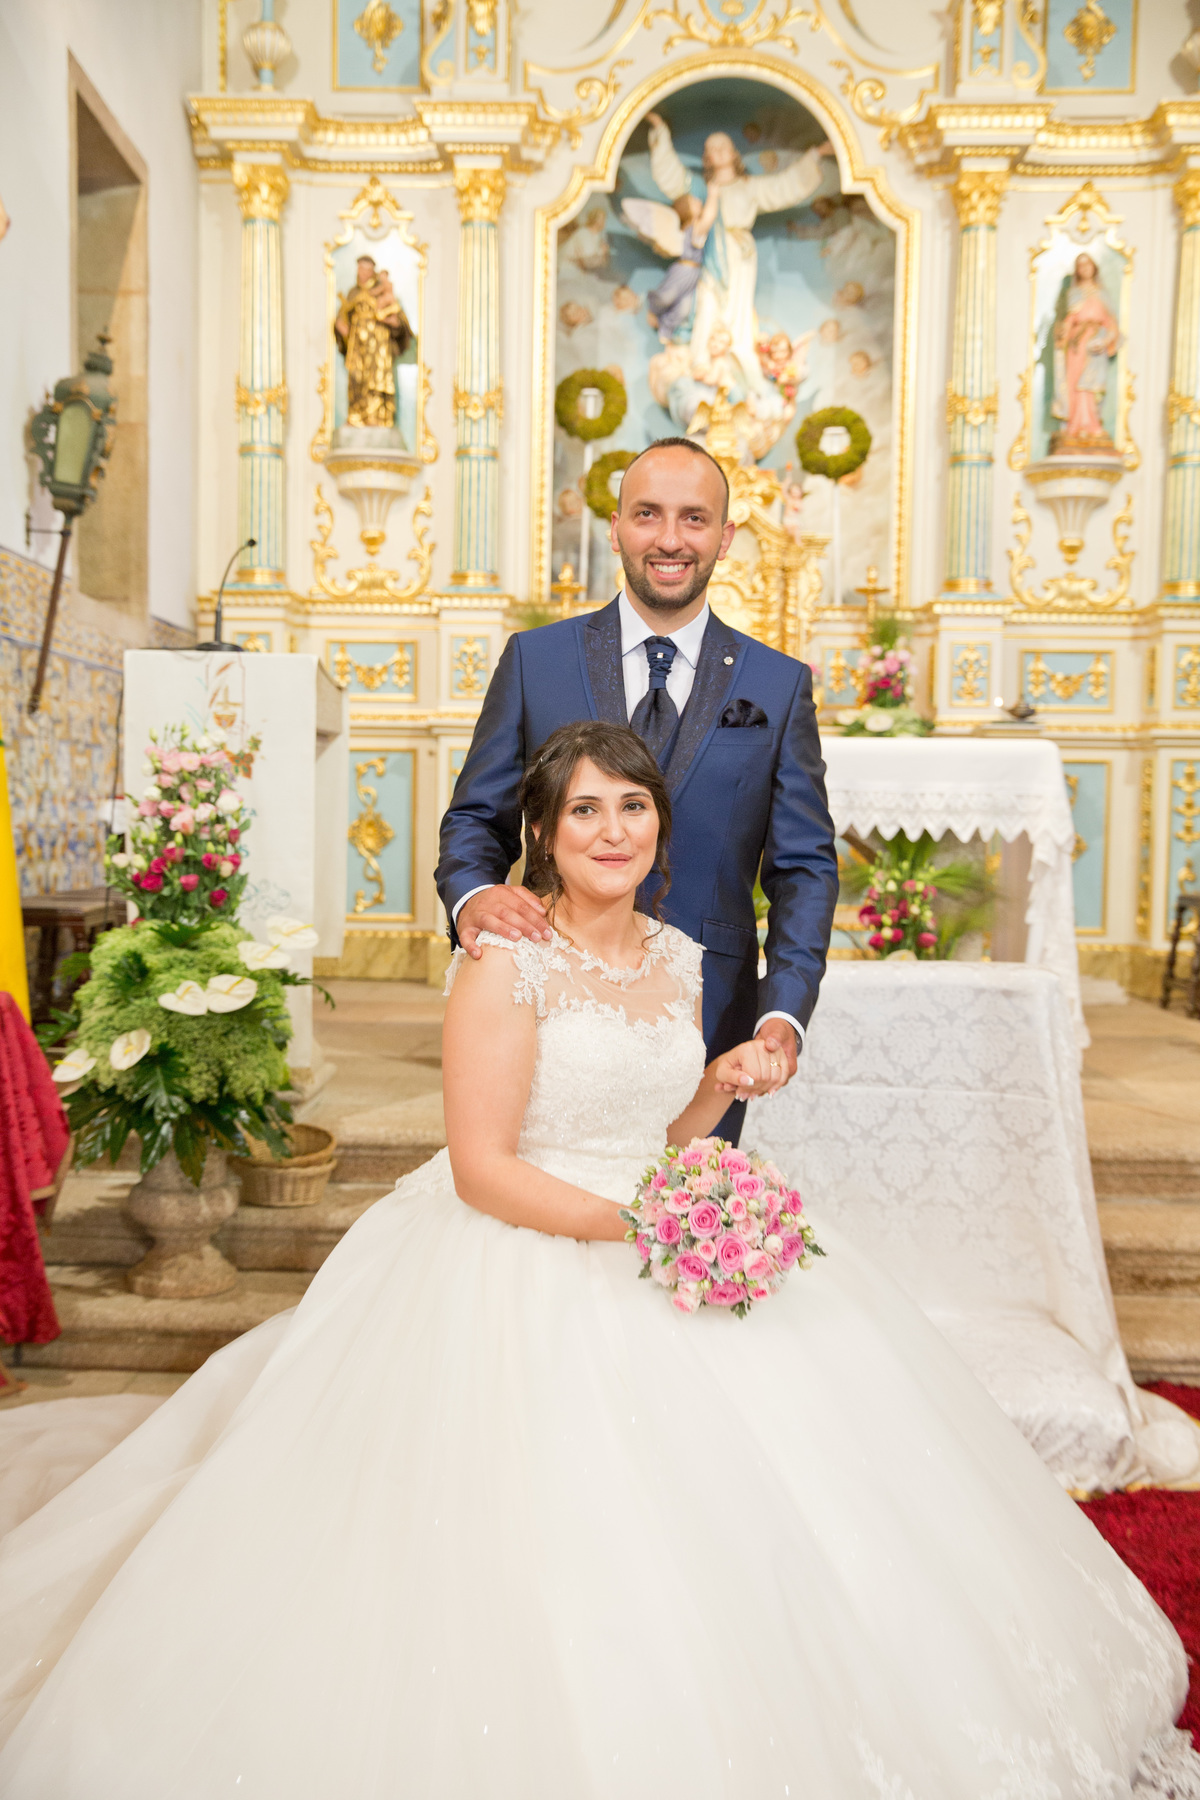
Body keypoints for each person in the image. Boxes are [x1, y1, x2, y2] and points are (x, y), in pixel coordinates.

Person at [0, 718, 1196, 1798]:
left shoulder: (678, 956)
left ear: (661, 824)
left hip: (652, 1215)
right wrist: (649, 1226)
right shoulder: (504, 959)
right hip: (517, 1247)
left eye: (632, 805)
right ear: (541, 832)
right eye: (584, 809)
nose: (612, 829)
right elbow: (484, 1168)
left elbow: (656, 1136)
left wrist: (715, 1091)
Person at [438, 435, 839, 1138]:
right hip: (551, 1005)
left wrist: (783, 1010)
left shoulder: (777, 685)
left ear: (725, 537)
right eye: (647, 514)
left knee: (687, 1205)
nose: (670, 539)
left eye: (694, 518)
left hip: (712, 1012)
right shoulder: (536, 661)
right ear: (615, 527)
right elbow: (475, 818)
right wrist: (474, 896)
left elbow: (804, 867)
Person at [1050, 250, 1121, 453]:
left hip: (1095, 344)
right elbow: (1069, 319)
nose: (1085, 269)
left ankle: (1091, 425)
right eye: (1080, 265)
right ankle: (1074, 426)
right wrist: (1061, 333)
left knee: (1090, 385)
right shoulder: (1073, 293)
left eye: (1088, 264)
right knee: (1075, 382)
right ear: (1077, 271)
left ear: (1094, 268)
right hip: (1077, 343)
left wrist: (1105, 339)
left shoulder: (1102, 294)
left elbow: (1111, 323)